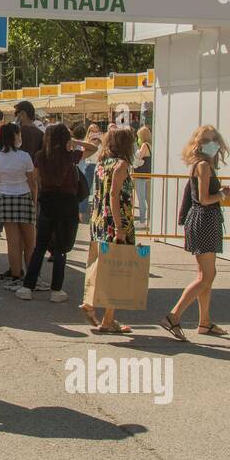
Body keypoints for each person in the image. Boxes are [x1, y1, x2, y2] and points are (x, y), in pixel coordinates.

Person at [162, 125, 230, 339]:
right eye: (207, 140)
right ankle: (173, 316)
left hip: (204, 220)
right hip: (203, 220)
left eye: (214, 139)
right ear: (199, 144)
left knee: (206, 275)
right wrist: (222, 194)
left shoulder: (203, 165)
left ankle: (204, 322)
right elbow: (204, 199)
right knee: (207, 275)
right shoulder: (203, 165)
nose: (212, 143)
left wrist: (221, 193)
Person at [16, 122, 97, 303]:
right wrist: (75, 141)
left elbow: (35, 181)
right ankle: (56, 290)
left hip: (47, 202)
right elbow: (94, 147)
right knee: (60, 248)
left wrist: (36, 201)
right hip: (67, 204)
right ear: (64, 138)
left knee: (40, 246)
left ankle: (27, 287)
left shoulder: (40, 156)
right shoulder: (71, 156)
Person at [80, 126, 138, 335]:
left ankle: (91, 303)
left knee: (99, 265)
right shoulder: (122, 165)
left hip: (99, 220)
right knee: (116, 270)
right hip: (115, 221)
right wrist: (120, 227)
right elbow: (114, 195)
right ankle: (107, 319)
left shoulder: (101, 163)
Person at [0, 122, 37, 287]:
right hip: (24, 197)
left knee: (12, 242)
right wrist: (34, 202)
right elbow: (32, 183)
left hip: (4, 198)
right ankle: (31, 276)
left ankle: (16, 276)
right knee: (30, 241)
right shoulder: (25, 156)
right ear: (15, 136)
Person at [77, 123, 101, 224]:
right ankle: (81, 213)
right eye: (91, 131)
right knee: (85, 190)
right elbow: (84, 154)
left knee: (98, 191)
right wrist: (90, 142)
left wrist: (99, 141)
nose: (94, 133)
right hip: (89, 165)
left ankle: (97, 213)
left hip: (98, 166)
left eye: (95, 131)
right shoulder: (86, 141)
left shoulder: (102, 141)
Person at [132, 125, 153, 228]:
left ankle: (142, 221)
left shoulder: (144, 145)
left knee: (141, 199)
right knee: (148, 199)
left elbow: (138, 156)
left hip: (140, 175)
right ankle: (149, 220)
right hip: (148, 175)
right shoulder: (151, 145)